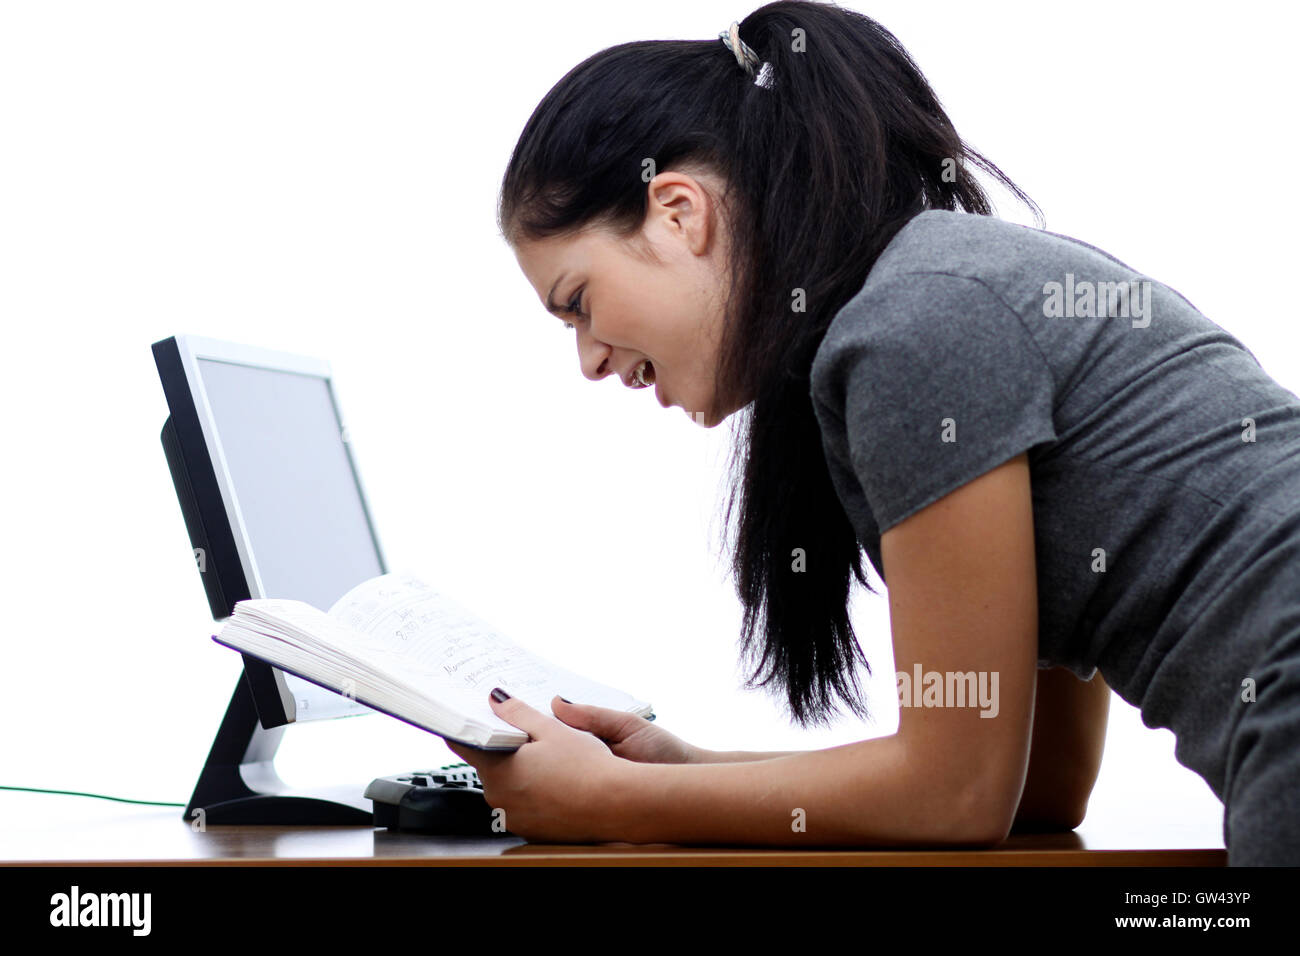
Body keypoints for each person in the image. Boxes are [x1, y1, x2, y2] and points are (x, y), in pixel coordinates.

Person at [444, 0, 1300, 865]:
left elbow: (955, 797)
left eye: (579, 303)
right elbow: (1033, 787)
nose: (589, 360)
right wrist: (686, 771)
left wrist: (617, 801)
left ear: (678, 212)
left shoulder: (913, 329)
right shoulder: (941, 285)